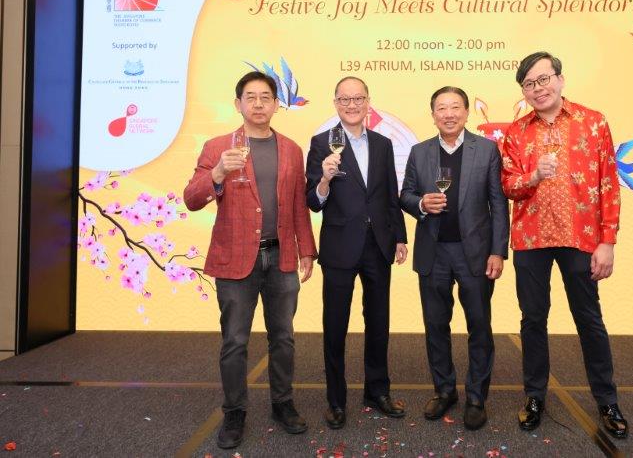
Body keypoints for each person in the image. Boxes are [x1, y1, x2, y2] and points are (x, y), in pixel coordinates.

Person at [184, 71, 317, 449]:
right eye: (251, 97)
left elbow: (298, 205)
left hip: (281, 256)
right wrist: (217, 173)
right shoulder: (217, 147)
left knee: (284, 338)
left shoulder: (291, 149)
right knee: (235, 341)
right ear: (238, 104)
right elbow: (191, 198)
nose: (258, 104)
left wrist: (307, 249)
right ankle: (234, 412)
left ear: (277, 105)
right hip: (235, 260)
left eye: (265, 98)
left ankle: (283, 404)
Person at [500, 52, 628, 438]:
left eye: (544, 79)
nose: (538, 89)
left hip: (581, 236)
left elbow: (609, 182)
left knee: (589, 319)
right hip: (531, 238)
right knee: (532, 319)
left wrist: (607, 241)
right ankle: (534, 397)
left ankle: (607, 401)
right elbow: (508, 185)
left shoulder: (593, 122)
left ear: (560, 79)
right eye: (529, 84)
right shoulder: (516, 132)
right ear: (523, 91)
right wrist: (533, 176)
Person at [400, 86, 509, 430]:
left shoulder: (487, 150)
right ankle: (444, 390)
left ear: (466, 112)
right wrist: (420, 203)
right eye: (442, 108)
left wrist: (498, 251)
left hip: (474, 252)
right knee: (435, 325)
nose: (449, 114)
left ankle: (476, 397)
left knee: (479, 325)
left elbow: (498, 204)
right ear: (433, 114)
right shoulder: (419, 152)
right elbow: (405, 195)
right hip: (433, 252)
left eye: (455, 107)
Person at [306, 76, 408, 429]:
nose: (352, 105)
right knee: (335, 325)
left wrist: (399, 236)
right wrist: (324, 180)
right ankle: (336, 400)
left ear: (368, 102)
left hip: (378, 244)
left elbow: (390, 194)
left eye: (358, 98)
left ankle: (377, 391)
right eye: (345, 99)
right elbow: (312, 200)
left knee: (378, 322)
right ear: (335, 103)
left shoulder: (382, 144)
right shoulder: (321, 143)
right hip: (339, 246)